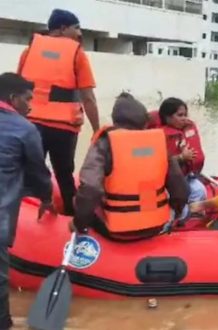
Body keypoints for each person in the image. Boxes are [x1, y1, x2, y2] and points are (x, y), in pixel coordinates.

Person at [71, 93, 188, 241]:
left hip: (116, 230)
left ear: (115, 119)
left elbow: (90, 188)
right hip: (156, 225)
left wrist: (79, 223)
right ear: (144, 121)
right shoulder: (158, 143)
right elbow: (181, 189)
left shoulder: (105, 143)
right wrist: (174, 213)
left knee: (78, 200)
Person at [17, 9, 100, 216]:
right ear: (63, 28)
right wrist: (97, 130)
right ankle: (70, 220)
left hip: (30, 124)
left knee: (30, 172)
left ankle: (25, 219)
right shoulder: (76, 53)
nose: (79, 33)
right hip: (63, 128)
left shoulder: (30, 51)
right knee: (64, 175)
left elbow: (17, 89)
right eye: (76, 27)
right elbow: (88, 97)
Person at [0, 72, 54, 329]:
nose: (30, 105)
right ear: (13, 99)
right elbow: (38, 172)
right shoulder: (24, 128)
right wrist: (46, 198)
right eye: (27, 99)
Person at [156, 98, 207, 210]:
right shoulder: (159, 136)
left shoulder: (187, 129)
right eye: (180, 115)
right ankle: (177, 216)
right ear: (167, 117)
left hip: (188, 176)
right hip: (170, 182)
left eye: (185, 115)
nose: (184, 119)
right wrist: (181, 157)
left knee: (200, 190)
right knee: (182, 198)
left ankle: (191, 216)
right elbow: (158, 162)